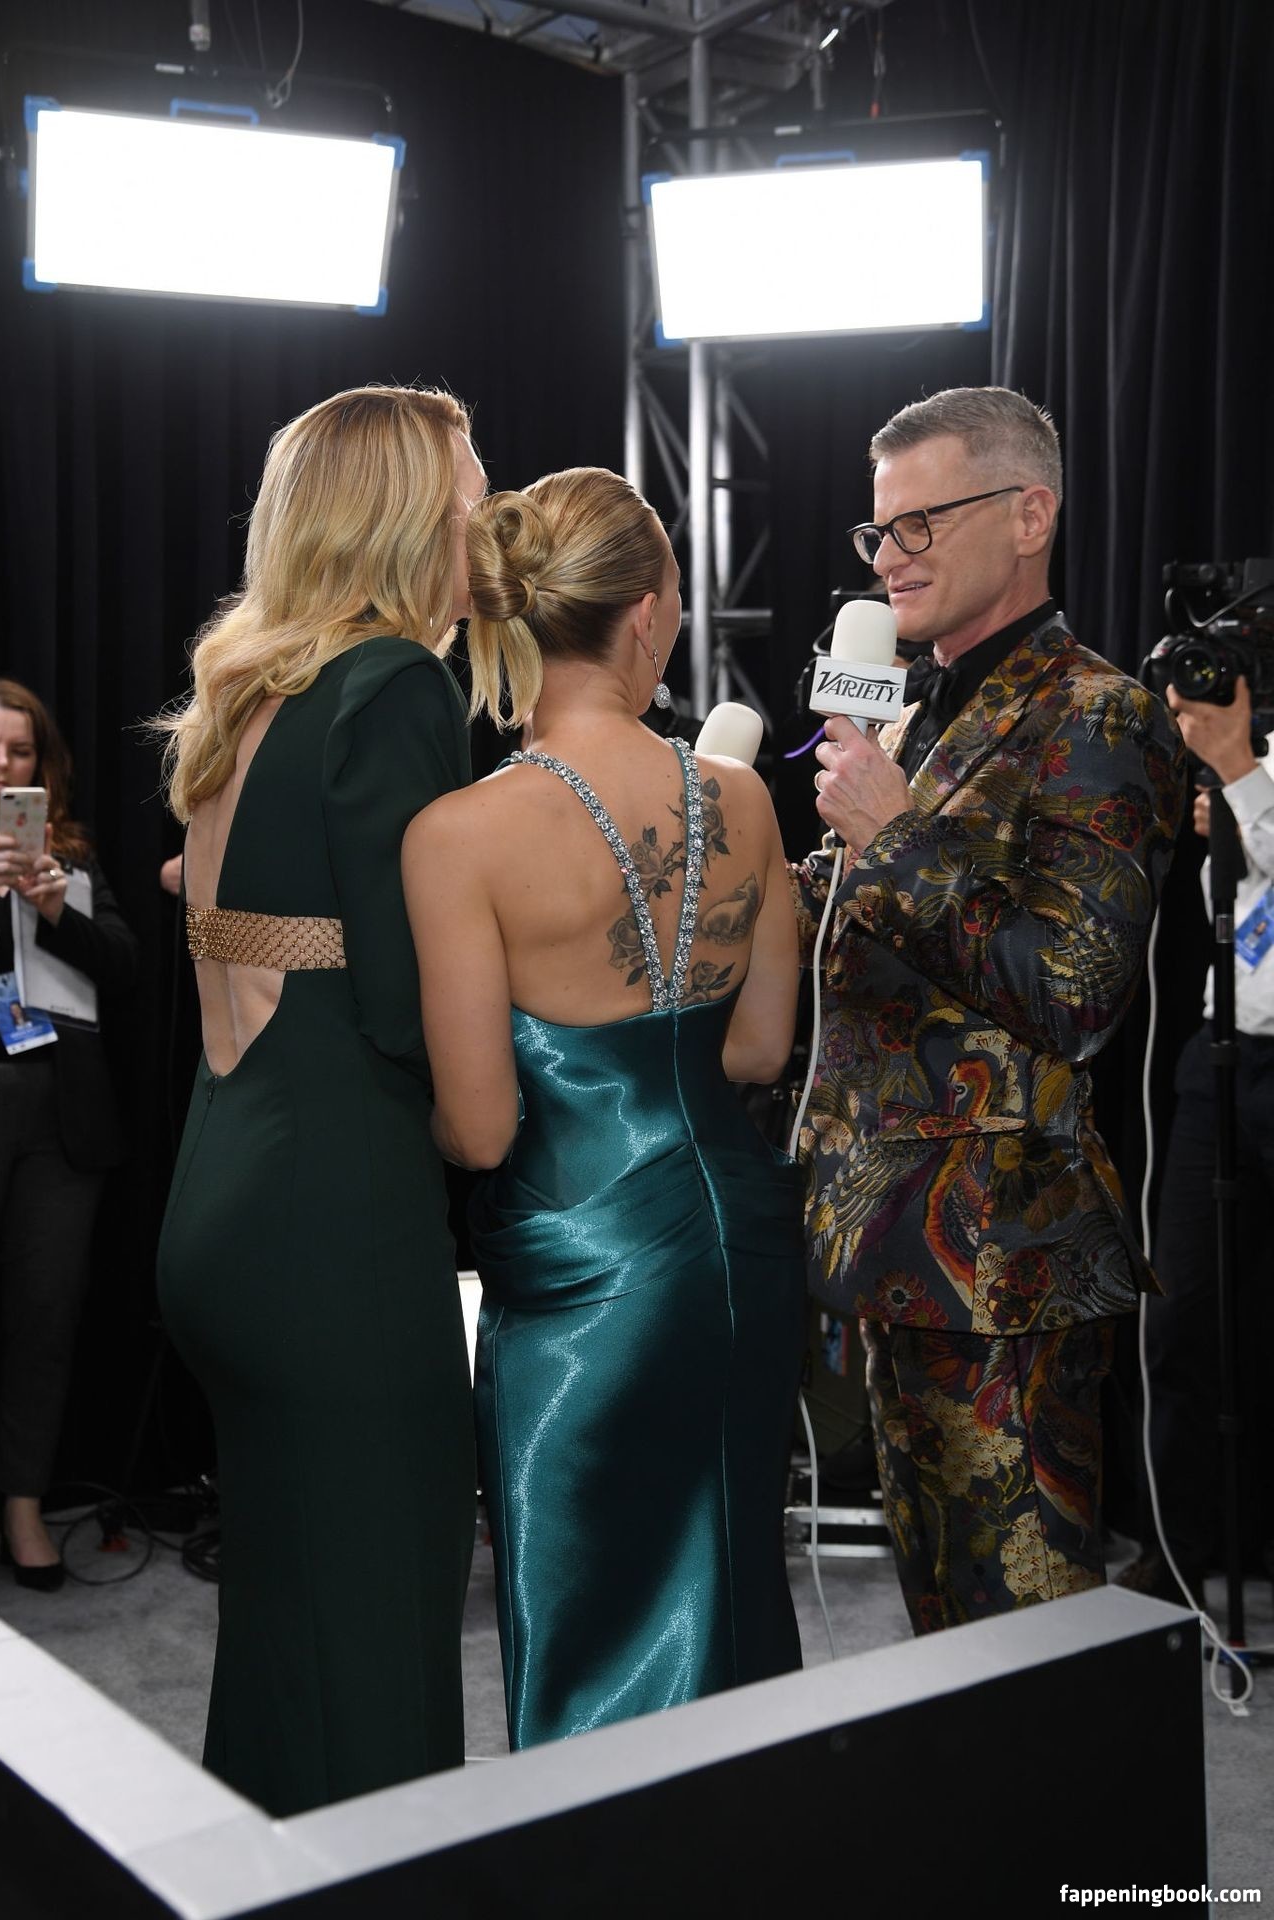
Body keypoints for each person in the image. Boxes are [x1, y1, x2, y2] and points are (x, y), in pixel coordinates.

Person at [403, 467, 805, 1749]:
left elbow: (477, 1131)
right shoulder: (741, 798)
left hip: (581, 1272)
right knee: (732, 1586)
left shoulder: (457, 835)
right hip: (737, 1242)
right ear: (645, 613)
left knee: (587, 1617)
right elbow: (758, 1050)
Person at [791, 387, 1186, 1634]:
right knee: (940, 1641)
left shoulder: (1096, 711)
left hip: (1004, 1267)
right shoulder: (917, 710)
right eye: (878, 531)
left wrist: (893, 837)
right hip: (894, 1254)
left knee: (1022, 1648)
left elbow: (1074, 990)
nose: (889, 557)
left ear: (1027, 516)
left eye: (920, 524)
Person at [156, 384, 484, 1816]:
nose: (491, 527)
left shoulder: (247, 688)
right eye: (473, 499)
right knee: (377, 1615)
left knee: (287, 1624)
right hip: (333, 1221)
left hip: (224, 1191)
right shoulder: (393, 684)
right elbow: (411, 1005)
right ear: (403, 517)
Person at [1116, 676, 1274, 1606]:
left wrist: (1242, 775)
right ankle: (1173, 1552)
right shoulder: (1255, 755)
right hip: (1222, 1055)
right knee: (1179, 1318)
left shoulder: (1247, 764)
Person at [0, 679, 137, 1590]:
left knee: (43, 1318)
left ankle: (23, 1505)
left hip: (62, 1114)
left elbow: (123, 969)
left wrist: (54, 908)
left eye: (19, 751)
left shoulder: (70, 858)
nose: (3, 764)